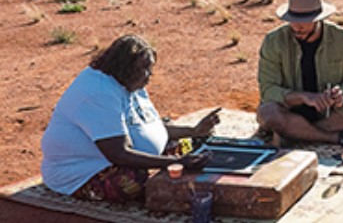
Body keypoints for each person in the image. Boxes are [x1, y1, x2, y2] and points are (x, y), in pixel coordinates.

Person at [37, 35, 220, 203]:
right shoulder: (98, 92)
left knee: (181, 146)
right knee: (133, 183)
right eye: (144, 69)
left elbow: (148, 125)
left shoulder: (130, 83)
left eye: (150, 68)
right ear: (125, 67)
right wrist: (176, 162)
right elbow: (119, 153)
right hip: (82, 172)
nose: (149, 75)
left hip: (115, 155)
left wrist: (193, 131)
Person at [257, 0, 343, 146]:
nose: (296, 26)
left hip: (328, 114)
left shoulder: (340, 38)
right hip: (288, 112)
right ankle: (337, 138)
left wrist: (342, 94)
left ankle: (297, 134)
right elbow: (268, 91)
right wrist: (304, 97)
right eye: (292, 20)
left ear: (318, 19)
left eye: (303, 22)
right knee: (268, 113)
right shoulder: (273, 41)